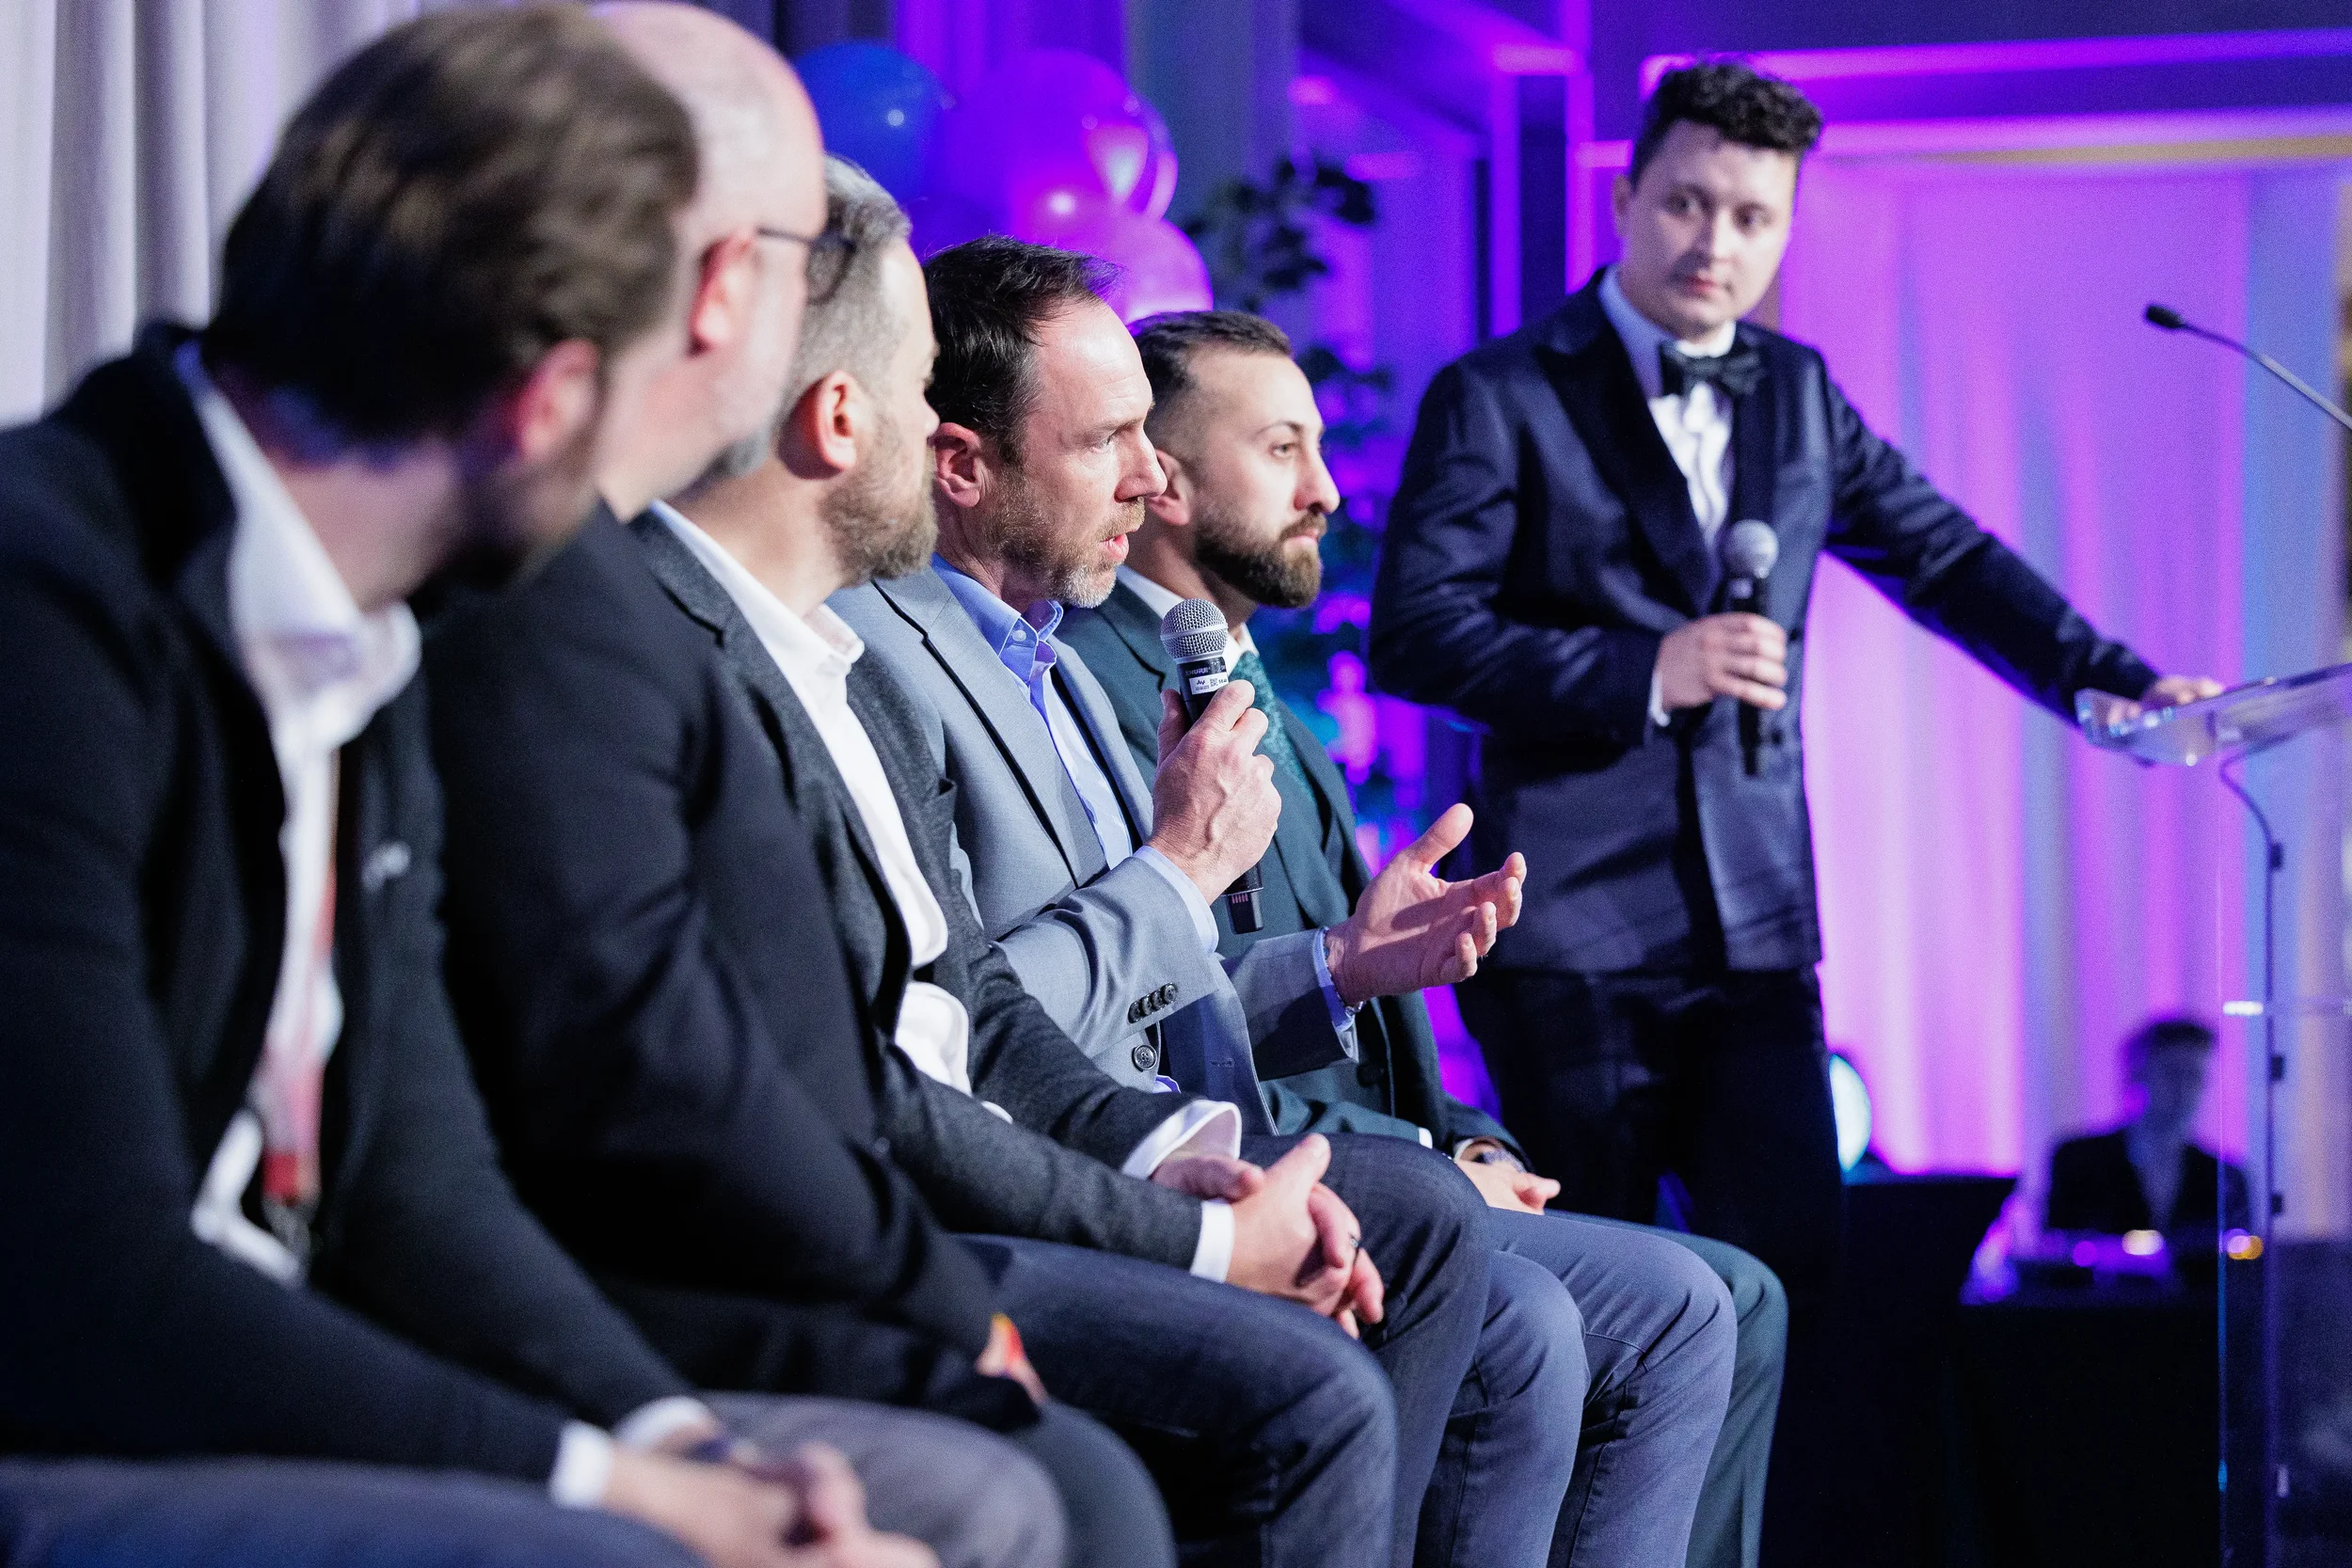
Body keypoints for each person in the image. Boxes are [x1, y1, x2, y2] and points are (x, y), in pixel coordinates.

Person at [0, 9, 986, 1567]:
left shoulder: (376, 619)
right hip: (73, 1424)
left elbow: (416, 1175)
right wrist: (623, 1492)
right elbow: (93, 1280)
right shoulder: (46, 601)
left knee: (914, 1507)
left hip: (231, 1387)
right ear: (546, 403)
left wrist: (677, 1443)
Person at [600, 152, 1473, 1567]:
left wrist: (1182, 1149)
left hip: (1016, 1150)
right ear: (864, 425)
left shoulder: (912, 667)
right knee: (1306, 1373)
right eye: (916, 393)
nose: (1149, 476)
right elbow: (862, 1072)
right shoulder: (750, 650)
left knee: (1538, 1260)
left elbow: (975, 1007)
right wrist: (1177, 1220)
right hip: (866, 1221)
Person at [838, 235, 1738, 1568]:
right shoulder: (884, 660)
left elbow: (1161, 979)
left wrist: (1338, 964)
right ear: (960, 466)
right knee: (1473, 1259)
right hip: (1052, 1172)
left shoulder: (1056, 665)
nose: (1146, 479)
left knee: (1676, 1296)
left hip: (1180, 1133)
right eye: (1108, 441)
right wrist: (1177, 871)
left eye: (1149, 438)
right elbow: (975, 1020)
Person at [1367, 55, 2223, 1335]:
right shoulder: (1503, 393)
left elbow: (1946, 558)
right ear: (1626, 199)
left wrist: (2114, 681)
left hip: (1758, 928)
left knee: (1793, 1286)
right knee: (1586, 1291)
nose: (1715, 241)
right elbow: (1416, 635)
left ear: (1783, 228)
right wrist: (1645, 669)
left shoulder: (1799, 393)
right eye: (1686, 202)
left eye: (1751, 215)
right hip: (1573, 927)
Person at [1059, 307, 1788, 1568]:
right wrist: (1424, 1161)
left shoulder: (1260, 694)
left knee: (1741, 1287)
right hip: (1259, 1171)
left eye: (1317, 447)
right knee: (1657, 1305)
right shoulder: (1100, 687)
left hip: (1382, 1158)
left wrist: (1466, 1138)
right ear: (1163, 481)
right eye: (1281, 449)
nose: (1328, 491)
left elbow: (1352, 996)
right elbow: (1167, 1017)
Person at [2046, 1016, 2252, 1239]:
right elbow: (2058, 1249)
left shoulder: (2225, 1177)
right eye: (2171, 1072)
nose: (2183, 1089)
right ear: (2136, 1074)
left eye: (2194, 1075)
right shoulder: (2078, 1161)